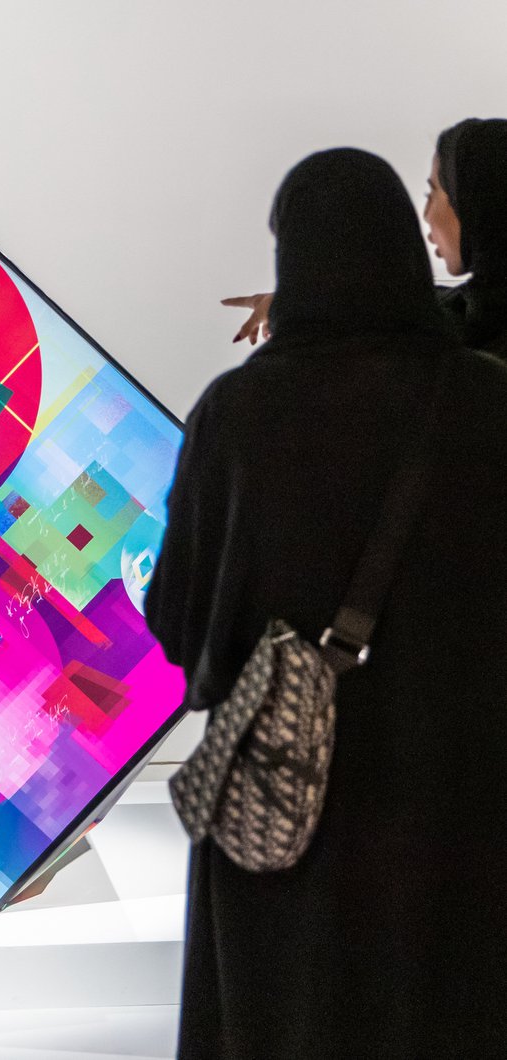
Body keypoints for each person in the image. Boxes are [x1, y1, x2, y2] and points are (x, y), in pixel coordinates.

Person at [146, 148, 507, 1058]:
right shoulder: (485, 402)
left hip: (283, 825)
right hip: (459, 813)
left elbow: (181, 625)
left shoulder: (236, 414)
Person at [225, 117, 507, 360]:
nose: (425, 214)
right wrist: (305, 303)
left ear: (476, 202)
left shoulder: (470, 359)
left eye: (432, 193)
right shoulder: (476, 317)